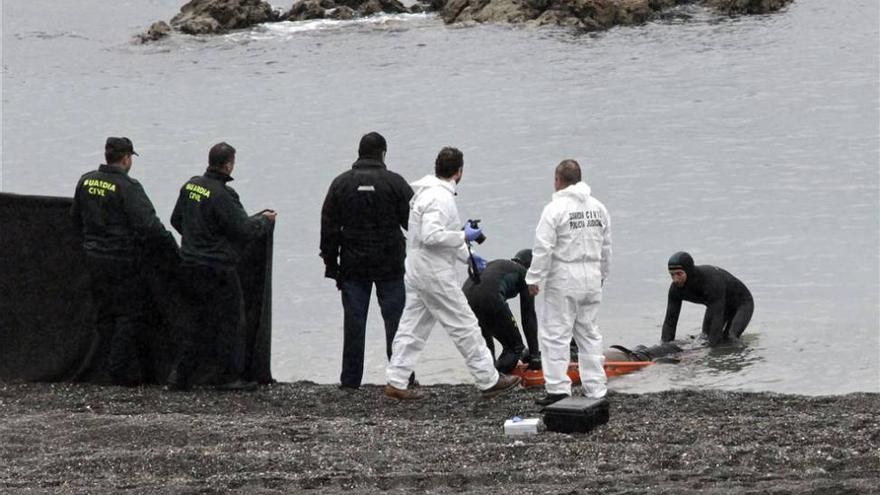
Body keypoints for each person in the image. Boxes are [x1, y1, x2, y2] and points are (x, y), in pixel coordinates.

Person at [384, 147, 521, 400]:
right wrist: (463, 235)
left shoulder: (425, 193)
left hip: (416, 268)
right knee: (465, 324)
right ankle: (488, 379)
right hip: (433, 274)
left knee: (412, 326)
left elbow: (432, 237)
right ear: (459, 171)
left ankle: (396, 379)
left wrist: (467, 255)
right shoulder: (440, 198)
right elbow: (432, 236)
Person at [167, 142, 277, 391]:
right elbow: (244, 230)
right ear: (228, 165)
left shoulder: (191, 186)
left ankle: (179, 376)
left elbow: (176, 219)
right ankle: (227, 377)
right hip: (217, 269)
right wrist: (264, 221)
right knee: (231, 321)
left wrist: (196, 240)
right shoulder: (223, 194)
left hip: (189, 264)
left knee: (195, 322)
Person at [70, 137, 178, 385]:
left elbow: (75, 217)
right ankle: (119, 371)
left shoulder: (85, 181)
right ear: (127, 158)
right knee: (129, 314)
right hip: (122, 259)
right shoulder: (128, 186)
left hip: (93, 257)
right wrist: (173, 251)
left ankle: (103, 367)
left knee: (105, 313)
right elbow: (149, 226)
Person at [320, 132, 414, 390]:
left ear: (359, 152)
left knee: (354, 323)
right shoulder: (395, 183)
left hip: (353, 265)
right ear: (383, 153)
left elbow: (328, 227)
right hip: (390, 265)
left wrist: (331, 265)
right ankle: (401, 378)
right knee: (396, 322)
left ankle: (350, 381)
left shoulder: (340, 184)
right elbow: (413, 225)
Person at [526, 159, 611, 406]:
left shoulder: (555, 209)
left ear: (558, 180)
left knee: (555, 334)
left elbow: (543, 247)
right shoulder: (598, 208)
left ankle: (558, 389)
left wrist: (534, 277)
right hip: (592, 275)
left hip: (564, 276)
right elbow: (607, 246)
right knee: (589, 333)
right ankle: (596, 388)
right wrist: (604, 273)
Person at [462, 249, 540, 373]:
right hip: (489, 296)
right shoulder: (526, 274)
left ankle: (487, 377)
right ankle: (495, 379)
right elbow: (528, 316)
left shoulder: (501, 265)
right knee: (515, 348)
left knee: (486, 348)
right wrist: (535, 356)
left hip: (465, 298)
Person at [662, 251, 754, 346]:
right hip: (716, 303)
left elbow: (716, 321)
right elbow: (670, 322)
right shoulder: (675, 290)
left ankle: (746, 356)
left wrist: (711, 354)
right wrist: (664, 347)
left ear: (689, 271)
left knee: (730, 337)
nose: (675, 279)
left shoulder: (711, 282)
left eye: (679, 274)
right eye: (672, 274)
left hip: (742, 304)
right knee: (704, 337)